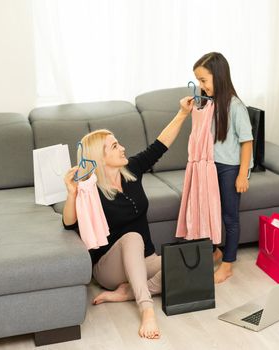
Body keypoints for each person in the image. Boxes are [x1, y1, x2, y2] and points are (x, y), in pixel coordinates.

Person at [62, 97, 194, 339]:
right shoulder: (91, 189)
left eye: (118, 143)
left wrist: (183, 113)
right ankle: (146, 309)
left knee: (183, 263)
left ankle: (128, 292)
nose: (122, 148)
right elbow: (69, 223)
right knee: (132, 237)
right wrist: (71, 194)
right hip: (108, 268)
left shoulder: (131, 169)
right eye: (114, 146)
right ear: (99, 158)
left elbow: (160, 144)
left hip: (145, 260)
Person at [193, 52, 254, 283]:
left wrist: (242, 175)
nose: (201, 85)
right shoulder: (209, 104)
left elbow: (247, 141)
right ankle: (215, 251)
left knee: (230, 217)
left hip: (230, 168)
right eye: (198, 81)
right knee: (210, 212)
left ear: (218, 77)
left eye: (204, 80)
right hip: (211, 165)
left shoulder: (236, 106)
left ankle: (227, 265)